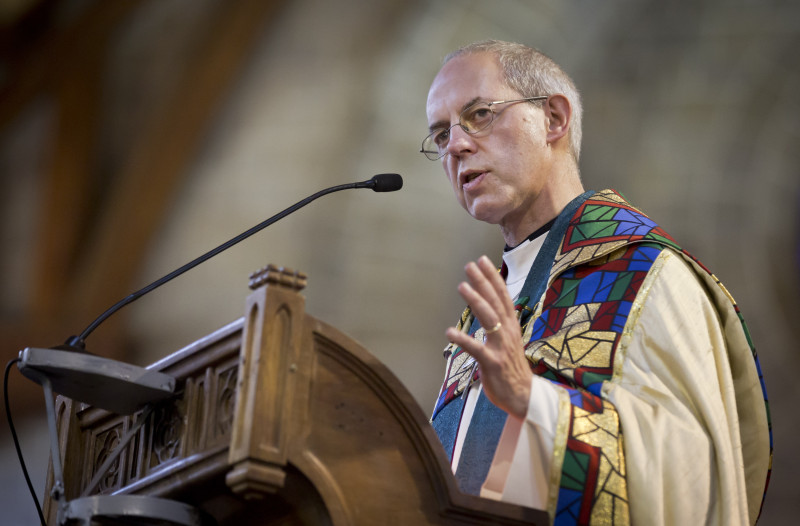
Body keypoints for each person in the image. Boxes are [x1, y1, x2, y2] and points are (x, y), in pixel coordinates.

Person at [423, 40, 772, 525]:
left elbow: (696, 478)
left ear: (554, 119)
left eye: (480, 114)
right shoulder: (489, 309)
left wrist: (535, 402)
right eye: (440, 136)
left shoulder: (647, 274)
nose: (456, 146)